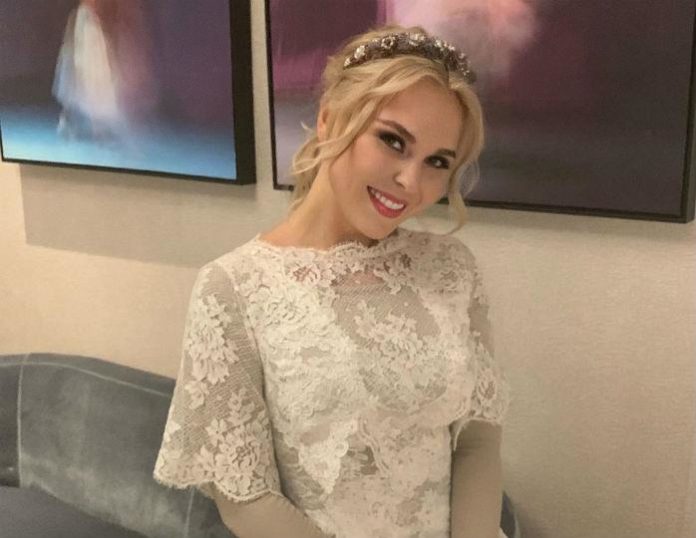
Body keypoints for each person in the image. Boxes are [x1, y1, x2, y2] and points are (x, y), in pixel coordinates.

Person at [153, 23, 512, 538]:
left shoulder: (450, 268)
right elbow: (244, 496)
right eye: (393, 141)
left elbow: (477, 438)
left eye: (437, 162)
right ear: (329, 120)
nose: (411, 182)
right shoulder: (234, 288)